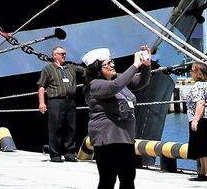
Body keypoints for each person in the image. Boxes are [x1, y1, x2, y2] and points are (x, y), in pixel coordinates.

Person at [85, 47, 150, 189]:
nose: (112, 65)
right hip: (107, 138)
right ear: (97, 68)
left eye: (112, 62)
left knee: (128, 178)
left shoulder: (117, 79)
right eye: (107, 64)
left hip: (124, 136)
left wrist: (146, 65)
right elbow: (115, 86)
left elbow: (140, 82)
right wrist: (135, 64)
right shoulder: (95, 85)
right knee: (108, 179)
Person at [37, 44, 84, 162]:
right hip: (56, 101)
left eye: (65, 54)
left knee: (71, 127)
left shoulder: (70, 67)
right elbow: (41, 86)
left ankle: (70, 153)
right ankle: (55, 154)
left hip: (71, 100)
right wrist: (42, 103)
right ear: (54, 55)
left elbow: (86, 71)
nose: (64, 55)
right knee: (55, 127)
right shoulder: (48, 69)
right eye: (62, 54)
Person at [180, 62, 207, 181]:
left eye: (192, 70)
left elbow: (200, 103)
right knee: (202, 147)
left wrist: (195, 120)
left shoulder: (198, 86)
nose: (190, 72)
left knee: (204, 147)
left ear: (198, 73)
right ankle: (203, 171)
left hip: (202, 119)